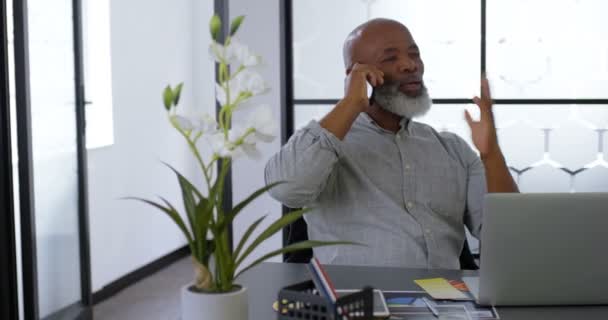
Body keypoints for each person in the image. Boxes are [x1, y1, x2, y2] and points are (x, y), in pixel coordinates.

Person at [265, 18, 518, 269]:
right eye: (390, 58)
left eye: (414, 54)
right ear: (356, 74)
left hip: (448, 303)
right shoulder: (325, 146)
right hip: (360, 301)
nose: (409, 65)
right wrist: (351, 103)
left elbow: (510, 239)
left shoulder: (453, 149)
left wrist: (491, 155)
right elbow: (286, 189)